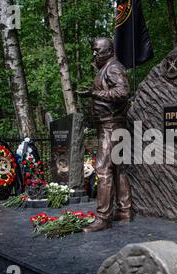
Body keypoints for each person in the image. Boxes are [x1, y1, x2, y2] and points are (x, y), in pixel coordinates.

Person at [77, 37, 133, 232]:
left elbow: (123, 92)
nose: (94, 54)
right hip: (113, 125)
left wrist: (94, 94)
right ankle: (125, 210)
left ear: (108, 51)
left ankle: (103, 217)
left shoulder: (112, 68)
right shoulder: (107, 68)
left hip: (111, 126)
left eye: (97, 51)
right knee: (119, 169)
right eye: (93, 51)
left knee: (102, 169)